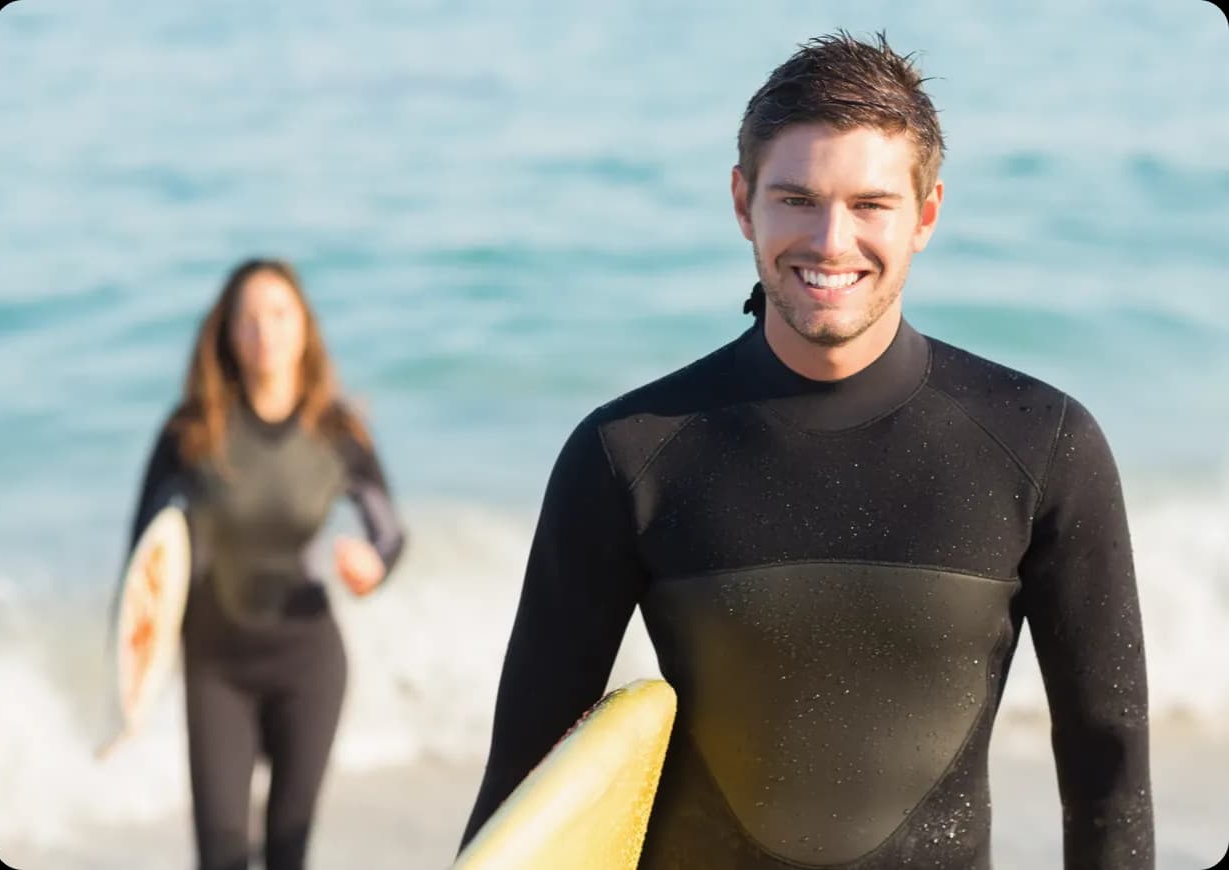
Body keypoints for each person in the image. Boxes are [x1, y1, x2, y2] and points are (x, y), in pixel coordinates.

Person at [461, 32, 1153, 869]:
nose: (830, 241)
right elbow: (524, 791)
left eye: (870, 204)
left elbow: (1109, 773)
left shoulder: (1041, 445)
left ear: (926, 214)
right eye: (795, 199)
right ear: (741, 200)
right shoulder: (628, 454)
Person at [126, 258, 405, 870]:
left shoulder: (337, 430)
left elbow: (389, 535)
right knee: (221, 854)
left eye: (279, 314)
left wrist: (373, 565)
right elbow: (141, 560)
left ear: (305, 325)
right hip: (216, 667)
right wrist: (129, 680)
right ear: (225, 333)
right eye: (248, 318)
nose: (264, 331)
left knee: (288, 850)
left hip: (309, 663)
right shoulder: (190, 431)